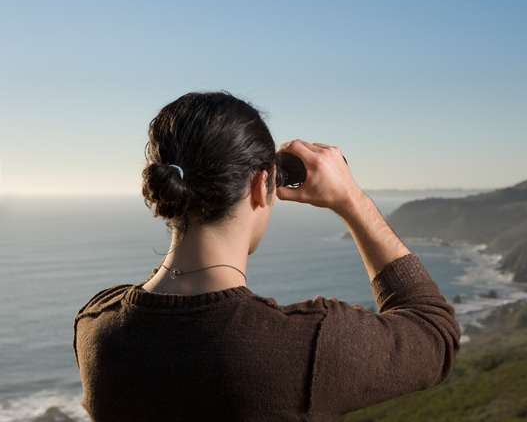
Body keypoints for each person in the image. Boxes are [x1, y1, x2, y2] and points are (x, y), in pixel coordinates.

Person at [74, 92, 460, 422]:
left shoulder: (95, 327)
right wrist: (351, 200)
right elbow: (435, 333)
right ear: (262, 185)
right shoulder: (306, 347)